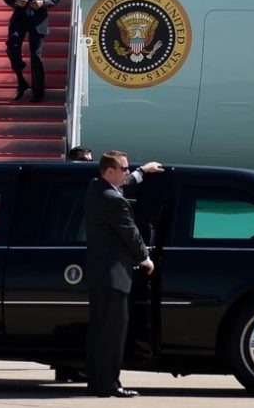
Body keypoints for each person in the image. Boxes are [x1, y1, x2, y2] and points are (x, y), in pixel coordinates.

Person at [84, 151, 163, 398]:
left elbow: (122, 184)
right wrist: (145, 259)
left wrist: (142, 172)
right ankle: (109, 385)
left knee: (99, 331)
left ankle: (97, 382)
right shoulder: (113, 201)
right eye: (125, 168)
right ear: (110, 171)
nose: (127, 172)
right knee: (114, 333)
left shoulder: (96, 188)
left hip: (99, 274)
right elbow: (131, 233)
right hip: (114, 276)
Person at [2, 0, 59, 103]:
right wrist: (16, 3)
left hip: (38, 20)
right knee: (12, 46)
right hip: (19, 18)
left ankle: (38, 92)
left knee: (35, 55)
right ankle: (21, 80)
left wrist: (43, 2)